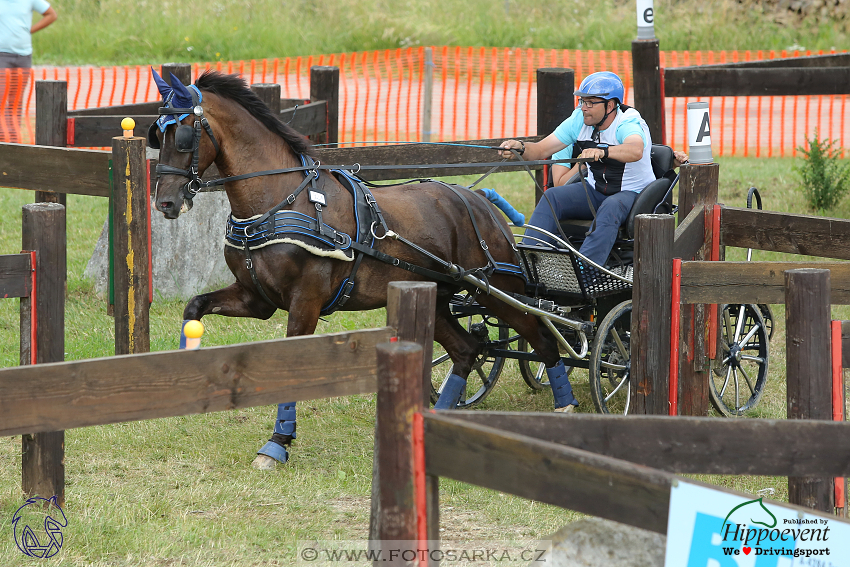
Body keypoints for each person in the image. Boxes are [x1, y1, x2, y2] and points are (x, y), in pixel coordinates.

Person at [499, 71, 686, 414]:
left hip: (631, 195)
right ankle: (534, 262)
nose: (583, 107)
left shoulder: (630, 121)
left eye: (589, 102)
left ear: (610, 104)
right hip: (596, 191)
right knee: (553, 198)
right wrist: (520, 149)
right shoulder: (579, 120)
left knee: (611, 210)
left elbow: (635, 150)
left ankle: (584, 275)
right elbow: (543, 149)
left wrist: (603, 151)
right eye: (581, 100)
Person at [0, 0, 58, 143]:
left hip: (23, 55)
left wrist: (29, 30)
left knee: (16, 101)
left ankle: (13, 140)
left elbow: (51, 14)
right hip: (2, 55)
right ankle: (2, 138)